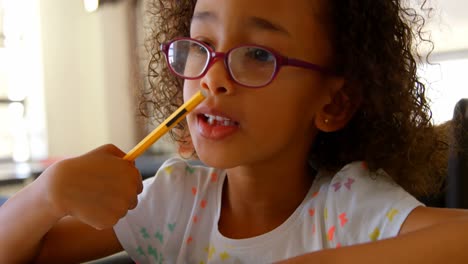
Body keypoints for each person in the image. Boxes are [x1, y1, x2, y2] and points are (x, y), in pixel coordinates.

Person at [1, 0, 467, 263]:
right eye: (202, 46)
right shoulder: (174, 202)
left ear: (334, 102)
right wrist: (47, 195)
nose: (213, 77)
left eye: (259, 55)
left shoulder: (347, 207)